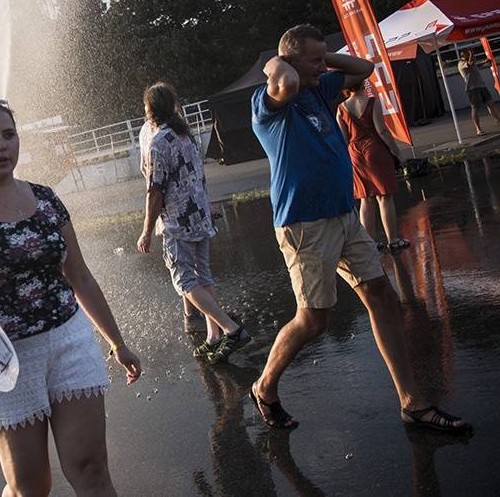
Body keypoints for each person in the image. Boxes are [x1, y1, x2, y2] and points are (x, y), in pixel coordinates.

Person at [248, 24, 471, 433]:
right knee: (314, 320)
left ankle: (412, 403)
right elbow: (286, 79)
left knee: (381, 297)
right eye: (313, 60)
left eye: (323, 60)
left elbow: (364, 68)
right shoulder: (269, 104)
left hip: (345, 215)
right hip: (304, 224)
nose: (323, 67)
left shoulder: (318, 89)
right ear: (290, 62)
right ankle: (264, 386)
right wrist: (279, 62)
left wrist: (321, 59)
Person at [0, 99, 142, 497]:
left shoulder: (46, 199)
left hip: (69, 342)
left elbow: (81, 278)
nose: (1, 146)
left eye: (8, 135)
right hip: (2, 360)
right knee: (30, 486)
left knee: (91, 470)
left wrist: (118, 343)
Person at [136, 82, 251, 363]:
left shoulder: (158, 143)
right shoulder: (186, 135)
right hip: (198, 217)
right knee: (204, 275)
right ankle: (212, 337)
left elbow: (155, 191)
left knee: (185, 282)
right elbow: (197, 177)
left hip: (178, 222)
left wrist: (147, 231)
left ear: (150, 110)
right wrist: (206, 207)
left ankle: (231, 329)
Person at [139, 118, 204, 334]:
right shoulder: (163, 133)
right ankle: (200, 319)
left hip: (180, 213)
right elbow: (153, 181)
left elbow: (153, 182)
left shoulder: (167, 133)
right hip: (184, 213)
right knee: (192, 271)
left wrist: (147, 231)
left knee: (187, 273)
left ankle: (212, 322)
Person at [337, 85, 410, 251]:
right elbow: (382, 131)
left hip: (354, 152)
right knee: (384, 196)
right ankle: (393, 240)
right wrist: (397, 153)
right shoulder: (372, 103)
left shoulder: (341, 108)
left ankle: (370, 243)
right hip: (375, 150)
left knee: (365, 198)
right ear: (363, 83)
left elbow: (343, 138)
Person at [457, 48, 500, 136]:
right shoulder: (461, 64)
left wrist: (484, 62)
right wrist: (471, 53)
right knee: (475, 108)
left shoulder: (470, 62)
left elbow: (476, 66)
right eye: (466, 53)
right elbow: (470, 63)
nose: (469, 55)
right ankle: (478, 129)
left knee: (491, 104)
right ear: (462, 55)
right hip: (472, 89)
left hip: (481, 86)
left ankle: (498, 120)